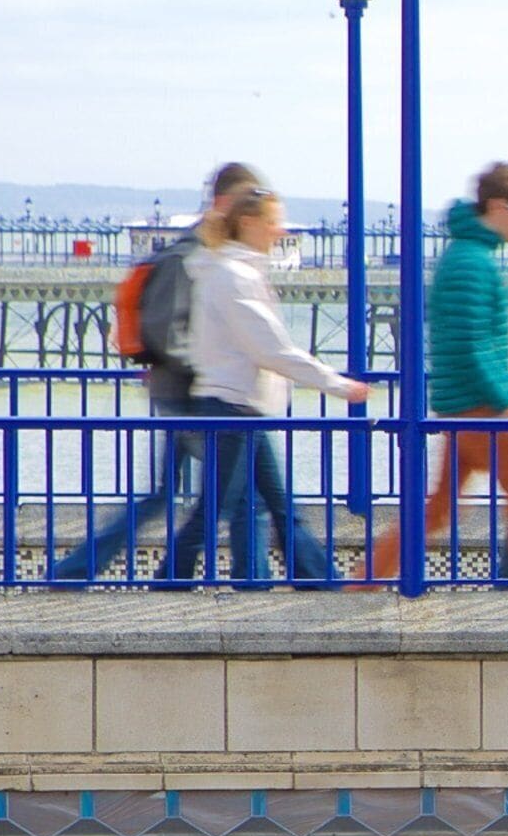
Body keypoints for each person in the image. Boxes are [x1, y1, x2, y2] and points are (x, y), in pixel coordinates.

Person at [46, 162, 255, 583]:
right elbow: (169, 332)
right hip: (187, 395)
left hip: (185, 392)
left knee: (172, 495)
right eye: (247, 201)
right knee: (241, 492)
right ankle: (245, 581)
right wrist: (209, 371)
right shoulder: (188, 255)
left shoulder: (201, 252)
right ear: (226, 202)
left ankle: (84, 570)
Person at [154, 186, 370, 587]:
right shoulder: (232, 276)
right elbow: (271, 350)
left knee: (279, 505)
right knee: (215, 510)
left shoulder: (230, 271)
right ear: (249, 223)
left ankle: (322, 583)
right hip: (230, 408)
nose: (279, 230)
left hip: (239, 408)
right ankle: (167, 583)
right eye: (273, 222)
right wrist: (338, 386)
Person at [369, 162, 508, 585]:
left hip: (459, 408)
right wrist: (506, 404)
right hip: (483, 410)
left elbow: (468, 333)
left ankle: (363, 582)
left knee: (436, 510)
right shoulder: (474, 263)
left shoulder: (466, 256)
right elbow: (473, 343)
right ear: (496, 205)